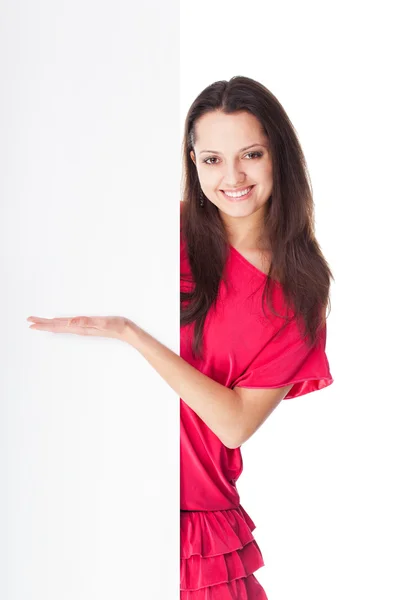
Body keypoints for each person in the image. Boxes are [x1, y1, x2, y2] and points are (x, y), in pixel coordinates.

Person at [180, 76, 334, 599]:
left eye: (251, 154)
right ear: (193, 162)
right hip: (103, 482)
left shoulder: (297, 293)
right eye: (212, 160)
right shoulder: (160, 236)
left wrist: (133, 335)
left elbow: (233, 424)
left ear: (278, 157)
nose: (233, 177)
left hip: (199, 524)